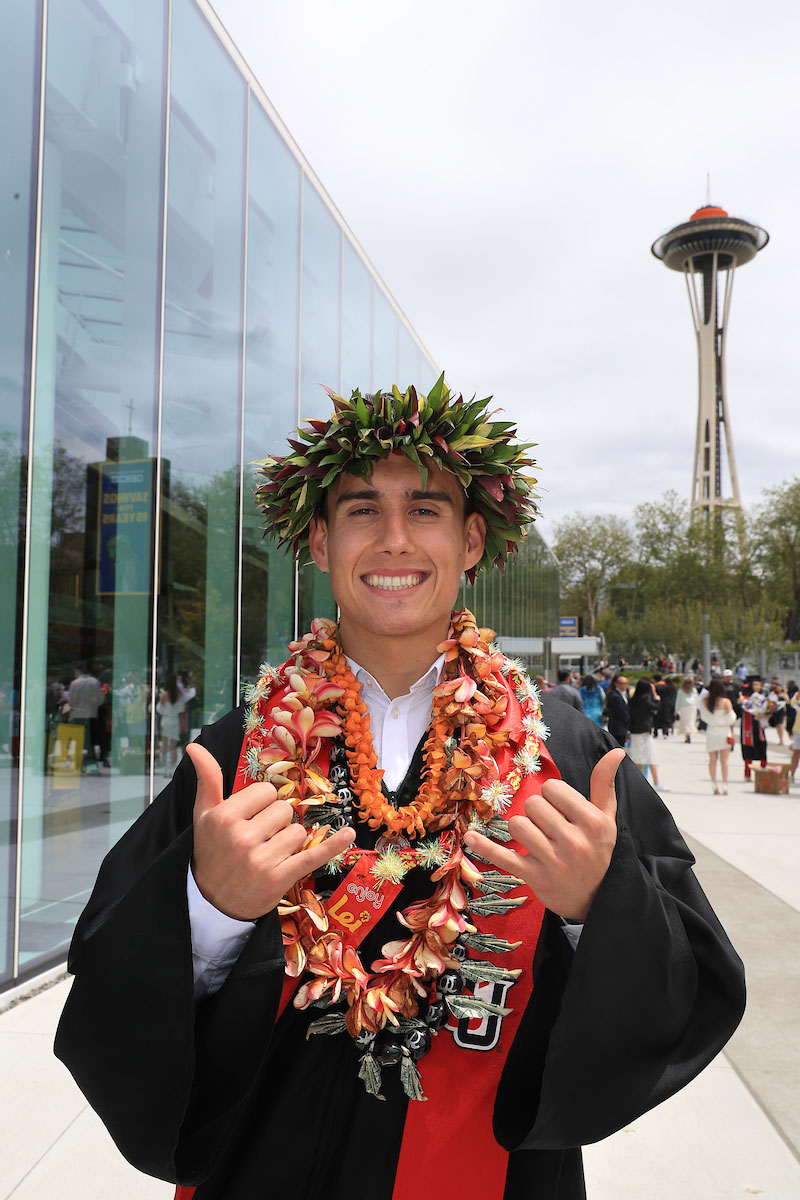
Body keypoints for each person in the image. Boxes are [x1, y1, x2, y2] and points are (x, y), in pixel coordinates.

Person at [55, 380, 744, 1200]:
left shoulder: (561, 752)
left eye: (424, 510)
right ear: (317, 540)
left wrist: (599, 908)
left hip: (484, 1173)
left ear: (473, 540)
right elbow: (109, 988)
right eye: (359, 512)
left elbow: (691, 990)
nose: (393, 541)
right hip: (260, 1165)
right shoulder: (240, 749)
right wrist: (210, 909)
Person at [698, 680, 737, 794]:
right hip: (724, 731)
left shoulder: (706, 702)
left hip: (711, 731)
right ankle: (725, 784)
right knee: (724, 761)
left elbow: (703, 717)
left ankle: (713, 784)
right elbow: (731, 718)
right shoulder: (725, 702)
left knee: (712, 760)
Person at [627, 678, 663, 790]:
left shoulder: (633, 700)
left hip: (635, 732)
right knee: (649, 757)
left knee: (638, 759)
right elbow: (657, 707)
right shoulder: (645, 700)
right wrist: (656, 695)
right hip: (644, 733)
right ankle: (656, 783)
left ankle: (634, 783)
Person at [157, 672, 187, 776]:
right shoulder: (179, 694)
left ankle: (165, 767)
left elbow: (159, 709)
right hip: (175, 720)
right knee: (173, 746)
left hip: (165, 720)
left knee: (164, 744)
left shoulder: (164, 694)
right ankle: (172, 768)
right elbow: (182, 708)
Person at [740, 679, 769, 780]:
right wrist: (740, 703)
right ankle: (747, 774)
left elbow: (770, 712)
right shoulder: (745, 699)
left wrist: (765, 714)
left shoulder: (764, 699)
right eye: (754, 684)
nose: (756, 686)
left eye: (758, 685)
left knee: (762, 747)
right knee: (748, 749)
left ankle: (763, 773)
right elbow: (739, 710)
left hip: (759, 726)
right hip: (748, 727)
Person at [604, 671, 631, 746]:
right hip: (617, 727)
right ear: (616, 684)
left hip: (622, 727)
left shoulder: (624, 694)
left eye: (625, 683)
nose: (624, 686)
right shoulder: (615, 696)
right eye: (621, 683)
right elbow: (622, 712)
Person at [675, 676, 698, 743]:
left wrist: (676, 710)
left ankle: (686, 734)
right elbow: (696, 699)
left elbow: (678, 701)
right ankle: (689, 732)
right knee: (690, 721)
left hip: (683, 708)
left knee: (684, 722)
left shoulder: (680, 690)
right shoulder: (693, 690)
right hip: (692, 707)